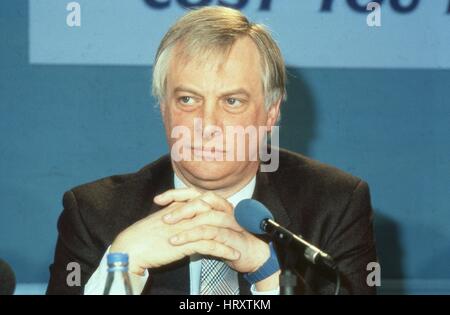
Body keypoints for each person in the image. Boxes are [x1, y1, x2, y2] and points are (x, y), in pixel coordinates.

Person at [46, 6, 377, 295]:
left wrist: (269, 273)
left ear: (271, 113)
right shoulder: (94, 213)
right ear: (163, 108)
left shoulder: (334, 205)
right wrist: (122, 269)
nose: (207, 124)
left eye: (232, 101)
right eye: (188, 100)